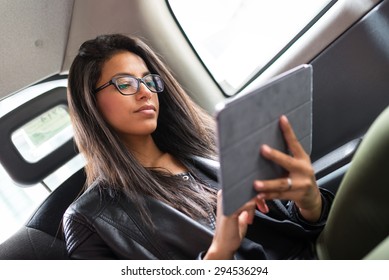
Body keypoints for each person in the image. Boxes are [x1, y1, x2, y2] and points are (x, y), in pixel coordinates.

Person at [62, 33, 386, 260]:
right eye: (125, 83)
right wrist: (220, 251)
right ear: (91, 102)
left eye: (149, 81)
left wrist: (309, 201)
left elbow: (297, 227)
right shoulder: (90, 219)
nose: (145, 92)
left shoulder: (205, 146)